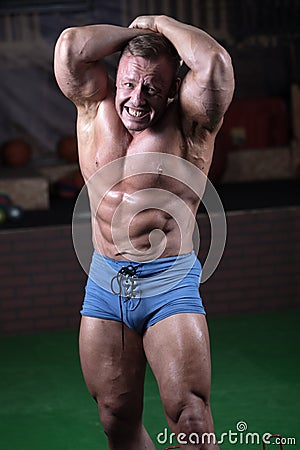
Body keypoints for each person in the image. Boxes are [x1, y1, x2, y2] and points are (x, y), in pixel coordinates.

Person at [54, 15, 234, 450]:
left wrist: (160, 23)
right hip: (105, 284)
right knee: (116, 420)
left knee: (190, 417)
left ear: (173, 90)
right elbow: (71, 46)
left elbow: (212, 62)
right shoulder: (94, 107)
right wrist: (138, 35)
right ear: (116, 79)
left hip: (168, 283)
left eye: (152, 88)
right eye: (129, 84)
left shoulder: (191, 123)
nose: (136, 99)